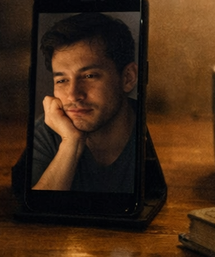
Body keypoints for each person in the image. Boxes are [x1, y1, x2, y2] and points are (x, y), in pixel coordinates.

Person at [31, 12, 139, 192]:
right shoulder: (45, 132)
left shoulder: (153, 133)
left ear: (128, 78)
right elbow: (38, 208)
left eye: (89, 76)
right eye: (62, 80)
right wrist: (71, 143)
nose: (73, 95)